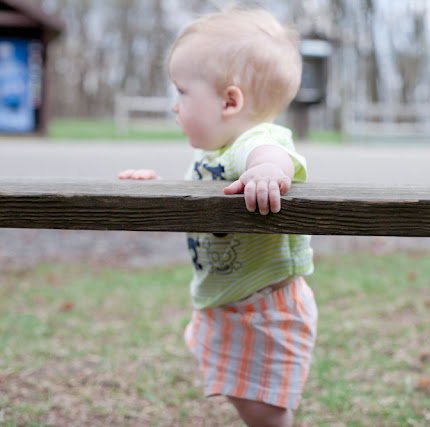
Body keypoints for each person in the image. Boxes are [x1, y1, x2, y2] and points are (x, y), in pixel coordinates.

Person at [119, 8, 316, 427]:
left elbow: (271, 152)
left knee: (264, 409)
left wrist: (267, 171)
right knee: (244, 396)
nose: (175, 106)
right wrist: (154, 188)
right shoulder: (214, 153)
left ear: (230, 101)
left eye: (182, 92)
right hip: (228, 301)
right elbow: (200, 198)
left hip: (263, 307)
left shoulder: (255, 140)